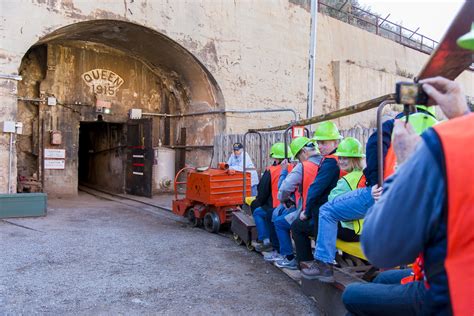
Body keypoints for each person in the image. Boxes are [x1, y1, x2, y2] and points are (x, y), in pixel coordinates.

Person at [361, 75, 473, 315]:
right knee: (383, 281)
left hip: (451, 297)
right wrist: (463, 118)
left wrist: (405, 166)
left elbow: (381, 249)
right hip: (448, 275)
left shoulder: (443, 145)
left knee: (353, 296)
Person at [291, 121, 342, 267]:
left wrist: (306, 212)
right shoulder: (340, 158)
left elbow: (315, 188)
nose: (319, 146)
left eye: (323, 143)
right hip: (337, 212)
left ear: (335, 142)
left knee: (296, 226)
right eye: (318, 143)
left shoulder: (330, 163)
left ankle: (306, 264)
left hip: (326, 214)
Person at [273, 136, 322, 269]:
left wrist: (283, 199)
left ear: (303, 152)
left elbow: (285, 188)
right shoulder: (328, 162)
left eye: (298, 157)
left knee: (280, 223)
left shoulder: (303, 166)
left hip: (309, 212)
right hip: (328, 213)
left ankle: (291, 258)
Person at [252, 142, 291, 253]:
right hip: (291, 205)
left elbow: (263, 191)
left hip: (275, 205)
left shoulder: (271, 171)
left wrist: (259, 201)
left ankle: (265, 239)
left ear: (276, 158)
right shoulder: (294, 167)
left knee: (257, 212)